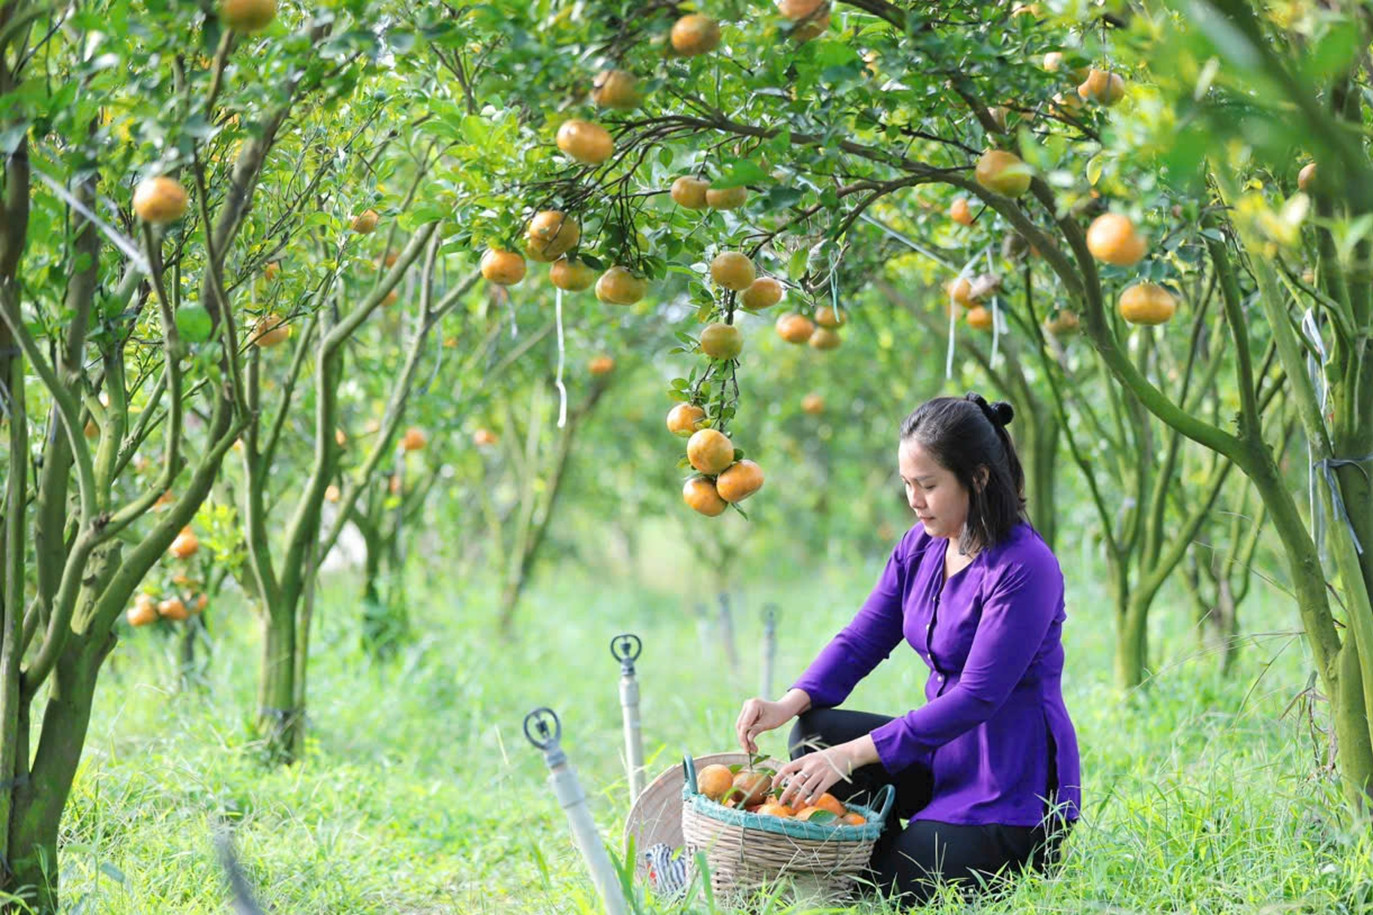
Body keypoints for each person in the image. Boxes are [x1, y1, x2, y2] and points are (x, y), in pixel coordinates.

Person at [734, 393, 1080, 907]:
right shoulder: (921, 546)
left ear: (979, 478)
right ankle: (886, 839)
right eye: (906, 484)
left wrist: (852, 755)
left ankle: (922, 848)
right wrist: (789, 702)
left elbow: (978, 697)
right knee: (813, 734)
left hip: (1009, 787)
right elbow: (862, 638)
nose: (914, 500)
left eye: (928, 485)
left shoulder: (1024, 566)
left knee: (882, 887)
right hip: (943, 756)